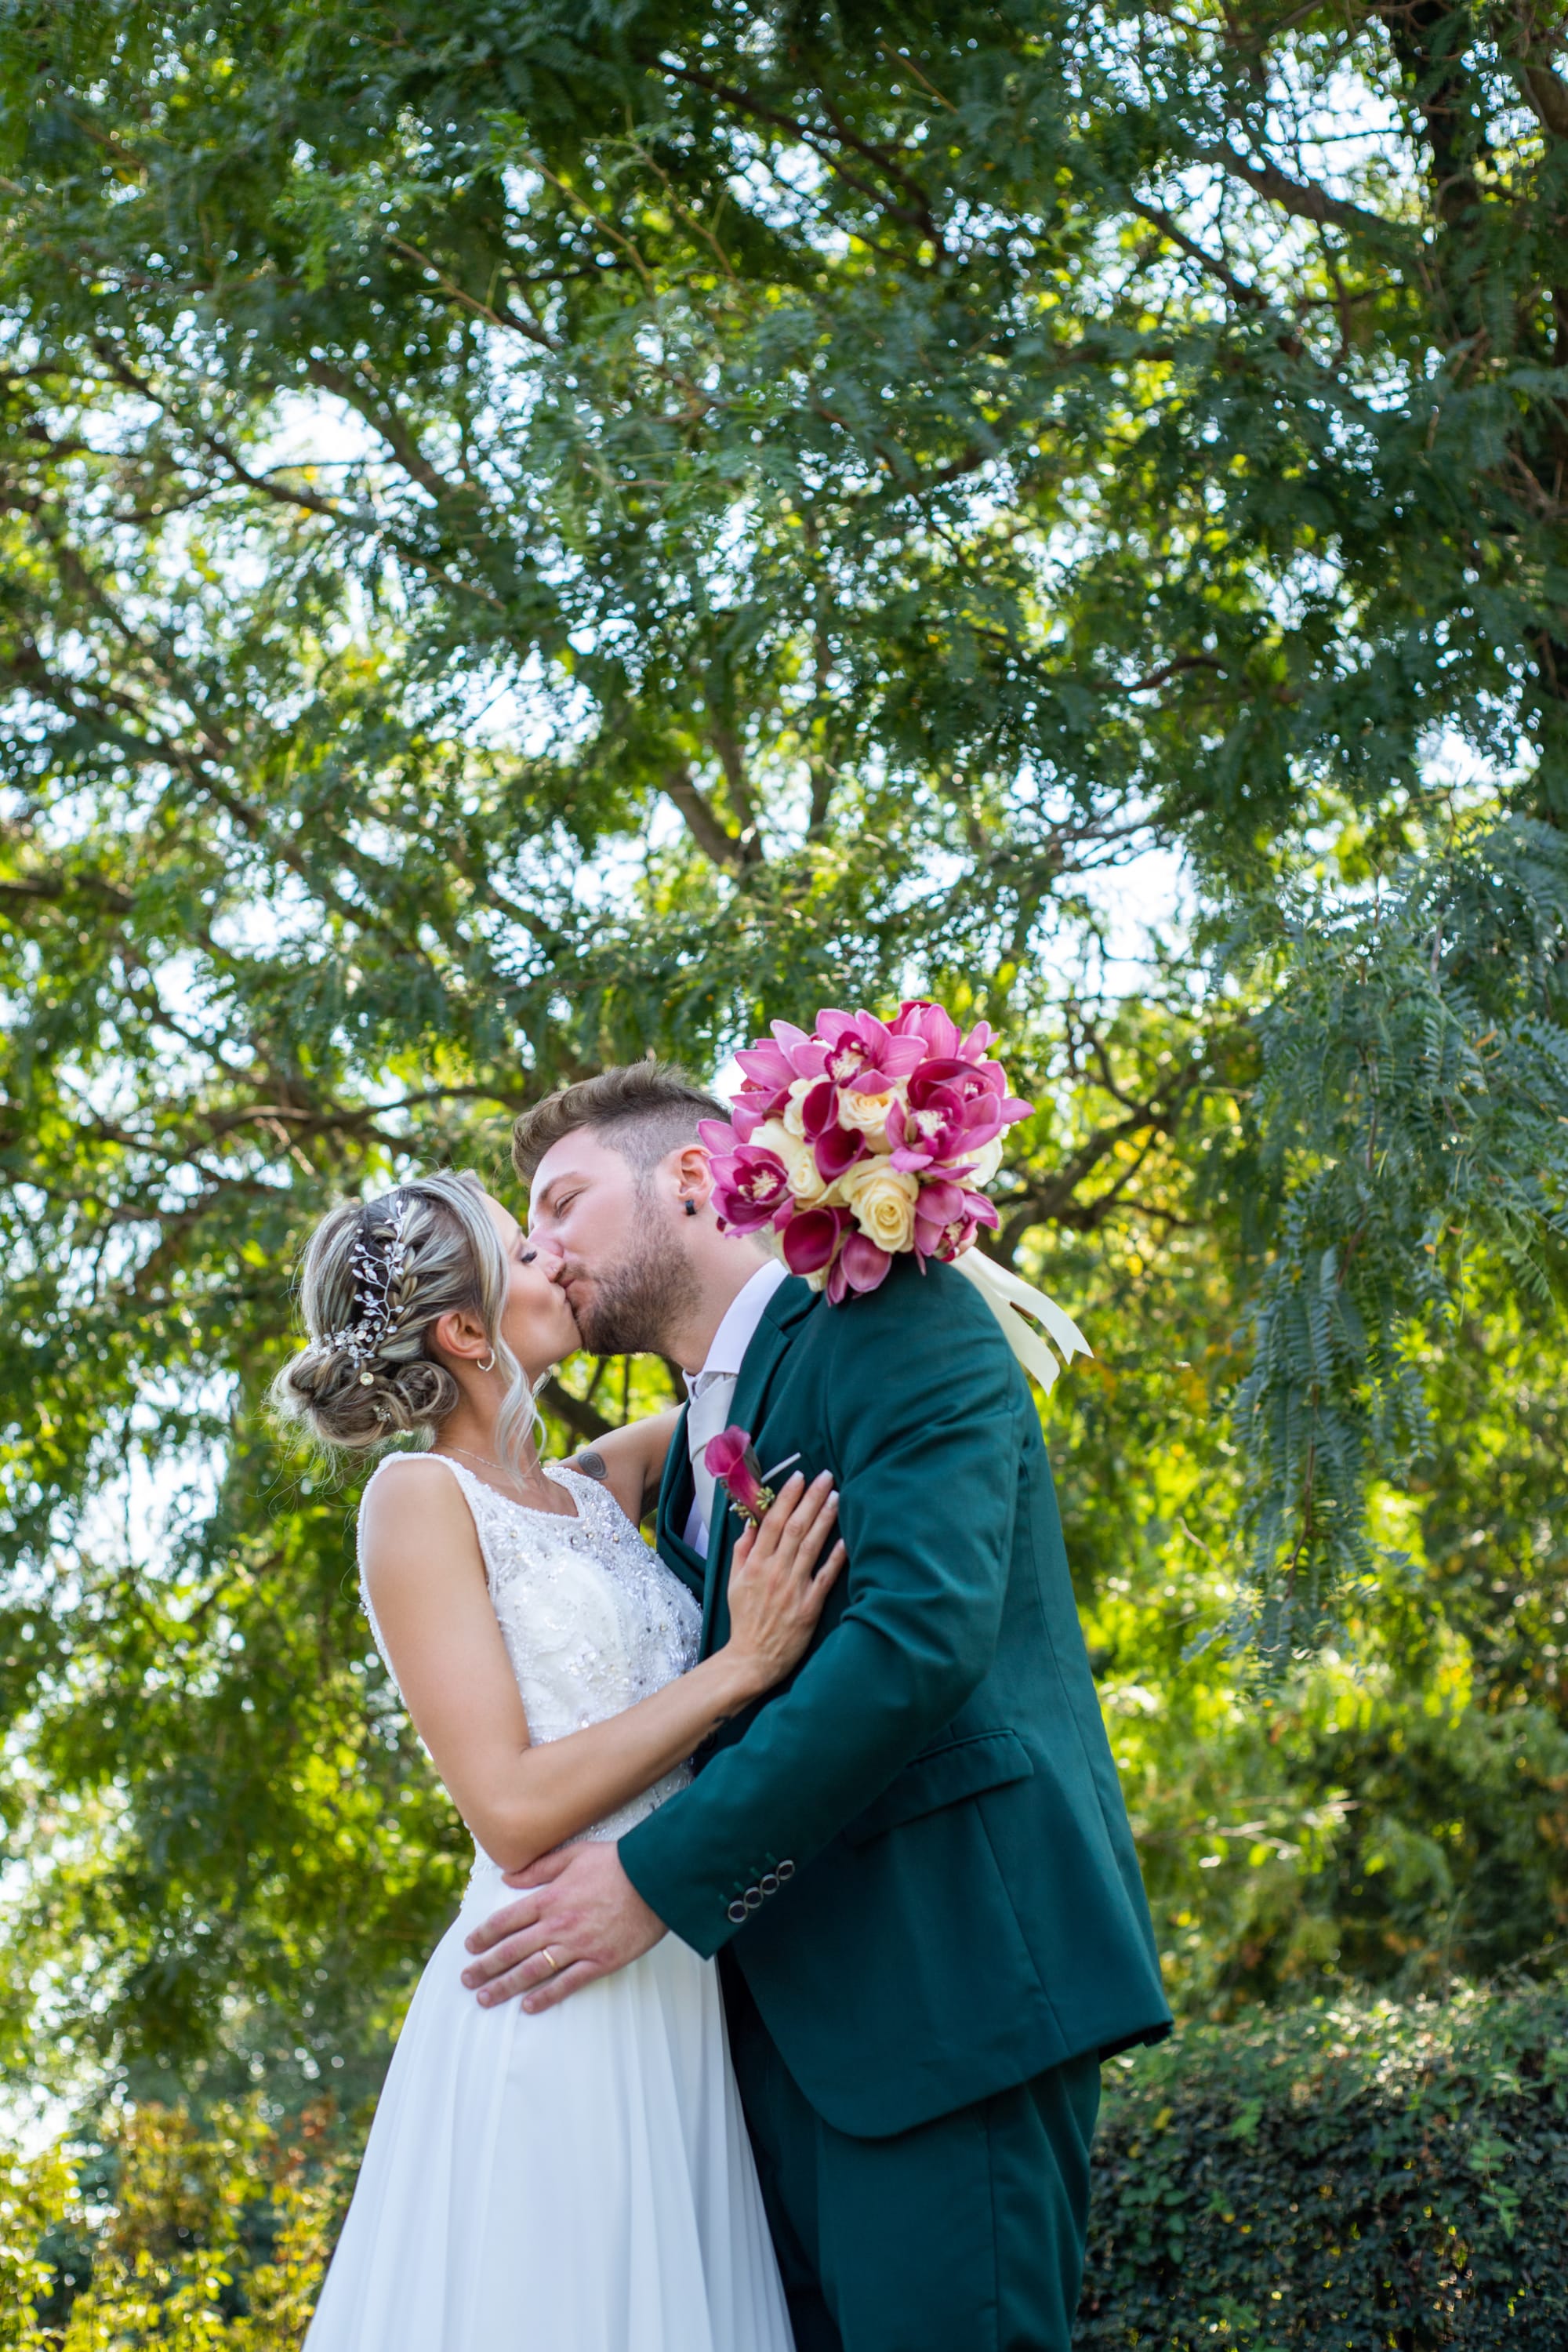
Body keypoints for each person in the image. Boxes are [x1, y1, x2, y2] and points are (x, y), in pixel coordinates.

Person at [460, 1063, 1175, 2352]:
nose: (542, 1249)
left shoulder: (898, 1314)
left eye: (563, 1205)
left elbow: (917, 1638)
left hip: (943, 1992)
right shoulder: (683, 1444)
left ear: (692, 1176)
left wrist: (651, 1883)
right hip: (756, 2059)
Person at [272, 1168, 844, 2352]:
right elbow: (510, 1808)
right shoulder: (416, 1499)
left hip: (673, 1984)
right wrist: (738, 1667)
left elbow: (759, 1371)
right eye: (525, 1255)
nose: (557, 1259)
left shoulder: (590, 1494)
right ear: (468, 1329)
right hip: (549, 1986)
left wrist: (868, 1209)